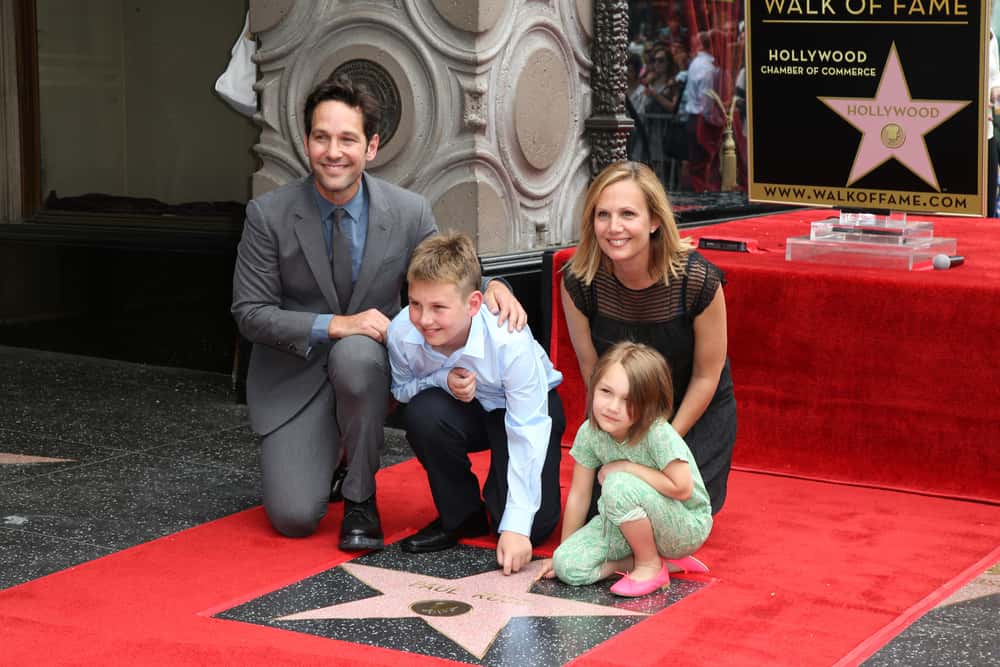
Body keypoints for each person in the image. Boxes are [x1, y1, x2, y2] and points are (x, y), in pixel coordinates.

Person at [231, 75, 525, 549]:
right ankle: (335, 452)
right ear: (306, 142)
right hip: (294, 375)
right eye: (321, 137)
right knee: (294, 518)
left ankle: (360, 497)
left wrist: (495, 287)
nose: (333, 151)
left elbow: (446, 273)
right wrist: (337, 325)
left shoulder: (408, 211)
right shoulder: (267, 216)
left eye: (347, 139)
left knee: (358, 356)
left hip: (371, 373)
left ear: (371, 147)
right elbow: (250, 312)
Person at [561, 161, 736, 515]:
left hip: (691, 417)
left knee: (671, 512)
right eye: (603, 215)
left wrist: (661, 444)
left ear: (654, 221)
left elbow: (707, 376)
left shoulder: (697, 281)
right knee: (610, 512)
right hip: (622, 420)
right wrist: (610, 442)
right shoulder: (579, 282)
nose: (614, 227)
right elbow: (592, 370)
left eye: (628, 214)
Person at [387, 233, 565, 574]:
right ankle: (462, 515)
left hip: (521, 409)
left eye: (439, 307)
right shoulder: (401, 333)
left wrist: (516, 526)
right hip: (461, 410)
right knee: (424, 413)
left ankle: (504, 502)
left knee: (533, 527)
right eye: (415, 304)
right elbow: (402, 390)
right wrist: (441, 380)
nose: (424, 319)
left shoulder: (508, 338)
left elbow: (528, 426)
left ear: (473, 304)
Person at [536, 342, 711, 597]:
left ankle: (650, 565)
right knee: (567, 566)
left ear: (648, 406)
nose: (613, 406)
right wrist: (565, 548)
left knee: (617, 483)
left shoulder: (658, 433)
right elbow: (579, 495)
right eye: (606, 391)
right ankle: (648, 561)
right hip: (623, 522)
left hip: (683, 524)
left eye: (628, 400)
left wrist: (627, 467)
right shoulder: (589, 433)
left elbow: (682, 488)